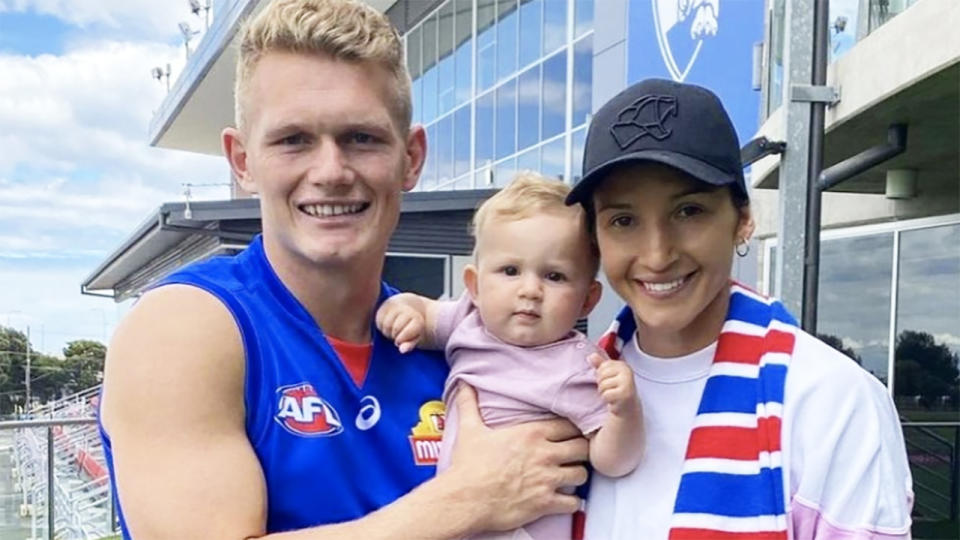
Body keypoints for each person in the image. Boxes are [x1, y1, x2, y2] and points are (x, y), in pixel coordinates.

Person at [98, 1, 590, 538]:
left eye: (361, 138)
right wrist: (464, 499)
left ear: (412, 158)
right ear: (242, 161)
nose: (331, 171)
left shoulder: (448, 345)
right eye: (293, 140)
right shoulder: (187, 327)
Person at [564, 78, 913, 540]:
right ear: (595, 239)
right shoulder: (568, 387)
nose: (656, 254)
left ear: (744, 218)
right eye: (623, 220)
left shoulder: (831, 399)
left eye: (688, 211)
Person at [376, 173, 644, 540]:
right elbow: (424, 314)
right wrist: (401, 309)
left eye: (554, 276)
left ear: (587, 299)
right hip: (455, 517)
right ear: (474, 285)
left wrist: (624, 411)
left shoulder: (577, 365)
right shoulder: (468, 318)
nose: (530, 290)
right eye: (510, 271)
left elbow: (615, 461)